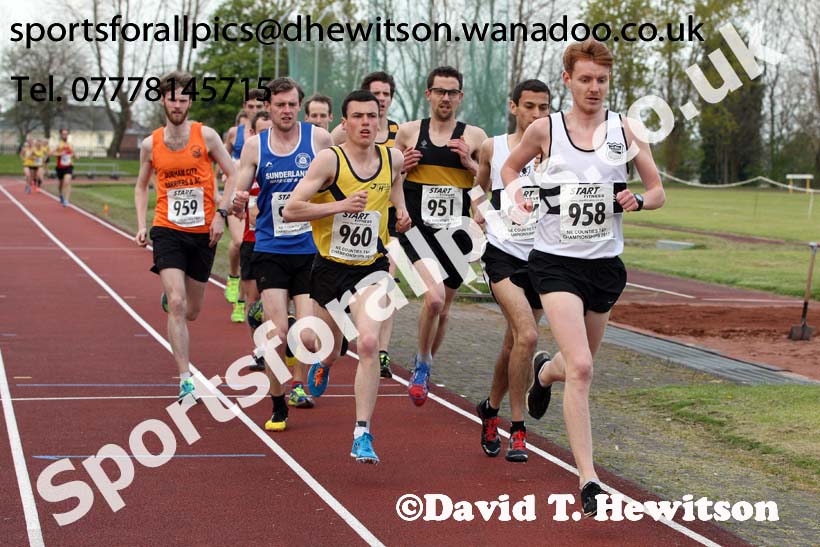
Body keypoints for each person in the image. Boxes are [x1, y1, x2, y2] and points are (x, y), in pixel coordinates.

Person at [501, 39, 665, 516]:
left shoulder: (626, 130)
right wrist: (519, 193)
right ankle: (589, 479)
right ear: (568, 80)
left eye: (602, 80)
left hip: (605, 267)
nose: (594, 87)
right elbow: (510, 168)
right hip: (555, 263)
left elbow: (657, 190)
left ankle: (543, 374)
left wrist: (639, 200)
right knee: (585, 368)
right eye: (586, 79)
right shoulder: (545, 129)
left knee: (577, 364)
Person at [282, 89, 409, 463]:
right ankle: (324, 364)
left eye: (372, 116)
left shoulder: (392, 158)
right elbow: (291, 210)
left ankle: (362, 433)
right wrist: (340, 206)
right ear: (345, 122)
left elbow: (395, 185)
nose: (366, 123)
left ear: (380, 120)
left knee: (368, 342)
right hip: (330, 267)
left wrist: (400, 211)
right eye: (358, 116)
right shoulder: (329, 161)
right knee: (322, 343)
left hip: (371, 267)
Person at [233, 77, 333, 431]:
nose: (286, 110)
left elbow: (341, 169)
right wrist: (236, 201)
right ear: (269, 107)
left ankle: (302, 366)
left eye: (292, 104)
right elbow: (239, 190)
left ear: (299, 106)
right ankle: (278, 403)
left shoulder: (318, 139)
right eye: (280, 105)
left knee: (307, 337)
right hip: (270, 249)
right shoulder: (255, 147)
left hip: (309, 249)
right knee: (276, 332)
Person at [134, 71, 239, 401]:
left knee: (191, 310)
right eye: (172, 99)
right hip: (167, 229)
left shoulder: (206, 136)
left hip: (203, 232)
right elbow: (141, 186)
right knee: (178, 304)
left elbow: (233, 173)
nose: (177, 105)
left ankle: (173, 298)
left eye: (183, 99)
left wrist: (221, 214)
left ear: (190, 101)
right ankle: (185, 379)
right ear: (163, 101)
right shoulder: (150, 144)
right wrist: (141, 224)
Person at [394, 66, 487, 406]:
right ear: (428, 94)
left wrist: (470, 164)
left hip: (457, 232)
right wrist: (402, 169)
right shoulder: (408, 132)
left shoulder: (475, 136)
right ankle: (421, 363)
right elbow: (390, 178)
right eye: (439, 91)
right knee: (433, 299)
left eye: (451, 92)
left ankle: (426, 361)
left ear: (460, 97)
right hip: (418, 230)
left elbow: (487, 182)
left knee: (444, 309)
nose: (445, 97)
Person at [473, 79, 550, 463]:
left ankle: (490, 408)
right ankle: (518, 430)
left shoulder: (555, 148)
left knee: (514, 344)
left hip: (542, 258)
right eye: (530, 106)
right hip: (502, 254)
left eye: (543, 107)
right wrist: (481, 215)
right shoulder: (494, 146)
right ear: (513, 107)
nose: (537, 114)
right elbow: (477, 189)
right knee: (529, 335)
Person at [332, 72, 401, 378]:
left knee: (387, 284)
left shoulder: (399, 133)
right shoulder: (340, 134)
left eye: (386, 94)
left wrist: (402, 207)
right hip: (343, 225)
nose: (382, 98)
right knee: (341, 304)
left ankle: (382, 351)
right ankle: (336, 342)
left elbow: (399, 175)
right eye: (377, 93)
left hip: (383, 224)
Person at [224, 90, 271, 319]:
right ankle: (235, 283)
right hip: (241, 195)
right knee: (238, 242)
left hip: (273, 231)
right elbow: (224, 161)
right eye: (251, 106)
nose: (254, 110)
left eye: (259, 106)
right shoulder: (236, 133)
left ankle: (245, 299)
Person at [52, 128, 76, 206]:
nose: (65, 135)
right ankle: (61, 195)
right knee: (61, 184)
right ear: (61, 135)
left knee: (67, 182)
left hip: (69, 166)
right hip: (60, 167)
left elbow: (75, 154)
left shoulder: (70, 145)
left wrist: (74, 155)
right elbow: (51, 153)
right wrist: (60, 154)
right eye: (63, 134)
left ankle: (66, 200)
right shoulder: (58, 144)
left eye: (66, 134)